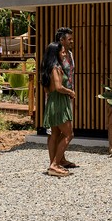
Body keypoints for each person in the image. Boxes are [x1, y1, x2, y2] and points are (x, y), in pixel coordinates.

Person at [40, 41, 75, 177]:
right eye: (62, 52)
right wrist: (70, 92)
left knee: (54, 134)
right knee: (69, 134)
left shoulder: (47, 68)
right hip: (60, 103)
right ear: (56, 53)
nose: (64, 54)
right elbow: (59, 87)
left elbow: (47, 89)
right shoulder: (56, 68)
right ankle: (55, 164)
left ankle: (53, 164)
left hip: (52, 102)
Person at [52, 27, 78, 169]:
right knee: (58, 131)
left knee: (63, 130)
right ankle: (54, 163)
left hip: (67, 95)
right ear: (62, 40)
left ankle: (61, 159)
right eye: (69, 39)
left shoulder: (70, 55)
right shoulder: (55, 56)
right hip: (57, 96)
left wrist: (70, 92)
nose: (72, 41)